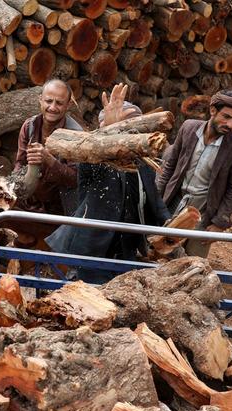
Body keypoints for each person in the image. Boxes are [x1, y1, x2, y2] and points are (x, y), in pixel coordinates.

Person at [46, 84, 170, 283]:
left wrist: (171, 226)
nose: (129, 133)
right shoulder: (91, 156)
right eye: (123, 126)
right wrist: (110, 132)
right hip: (92, 248)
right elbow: (97, 156)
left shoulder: (144, 161)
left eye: (133, 126)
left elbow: (154, 199)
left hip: (125, 247)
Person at [156, 89, 232, 258]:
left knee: (194, 262)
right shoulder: (188, 128)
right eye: (226, 117)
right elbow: (170, 166)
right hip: (174, 200)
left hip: (203, 211)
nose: (230, 125)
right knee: (155, 250)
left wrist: (219, 223)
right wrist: (156, 201)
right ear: (212, 110)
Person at [13, 78, 83, 218]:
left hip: (60, 208)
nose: (52, 107)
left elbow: (76, 180)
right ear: (40, 100)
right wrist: (14, 183)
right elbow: (20, 163)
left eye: (59, 103)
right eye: (48, 101)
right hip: (30, 200)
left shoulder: (76, 134)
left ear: (68, 105)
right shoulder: (29, 126)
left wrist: (49, 161)